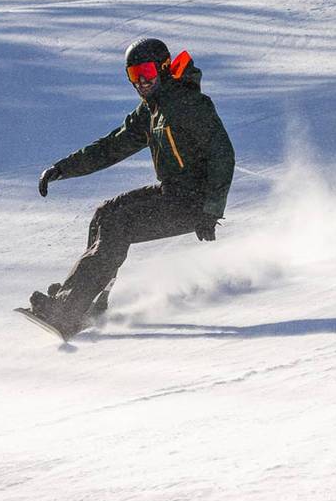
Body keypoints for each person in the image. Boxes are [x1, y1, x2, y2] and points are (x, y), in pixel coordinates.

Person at [26, 37, 235, 338]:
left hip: (194, 203)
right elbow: (113, 146)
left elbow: (222, 153)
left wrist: (211, 210)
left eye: (147, 73)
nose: (141, 82)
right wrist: (63, 169)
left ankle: (69, 311)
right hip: (173, 193)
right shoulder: (151, 110)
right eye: (134, 75)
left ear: (163, 68)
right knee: (104, 214)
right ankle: (90, 304)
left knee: (118, 224)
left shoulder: (189, 104)